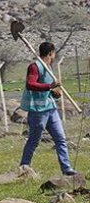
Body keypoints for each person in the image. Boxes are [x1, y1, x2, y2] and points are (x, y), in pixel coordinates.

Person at [19, 42, 78, 176]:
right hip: (38, 111)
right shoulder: (35, 66)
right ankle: (24, 167)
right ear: (51, 53)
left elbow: (47, 88)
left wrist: (53, 93)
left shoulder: (49, 67)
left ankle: (67, 169)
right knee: (34, 140)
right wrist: (49, 86)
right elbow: (30, 84)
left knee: (60, 139)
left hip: (51, 109)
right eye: (54, 53)